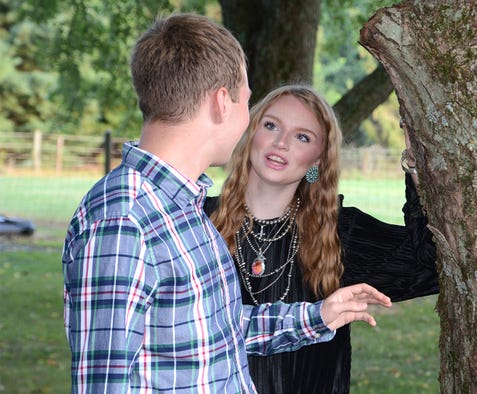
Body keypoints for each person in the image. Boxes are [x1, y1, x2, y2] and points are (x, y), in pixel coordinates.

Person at [61, 14, 391, 393]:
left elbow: (218, 331)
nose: (248, 120)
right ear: (222, 102)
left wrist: (319, 316)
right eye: (246, 102)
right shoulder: (123, 221)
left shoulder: (187, 207)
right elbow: (103, 384)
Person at [206, 84, 438, 393]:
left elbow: (430, 264)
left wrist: (415, 161)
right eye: (271, 125)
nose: (281, 142)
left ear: (316, 162)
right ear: (251, 135)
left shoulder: (341, 233)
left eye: (302, 137)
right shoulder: (197, 221)